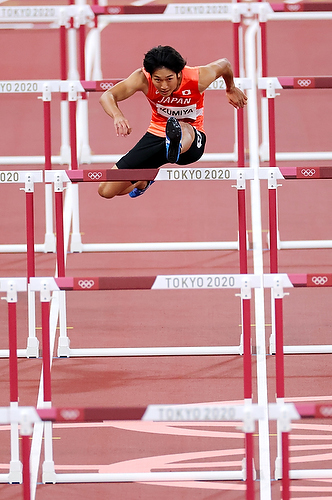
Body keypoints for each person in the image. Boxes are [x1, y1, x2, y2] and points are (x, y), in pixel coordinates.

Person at [98, 45, 247, 199]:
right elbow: (107, 96)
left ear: (179, 73)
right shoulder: (142, 78)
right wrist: (117, 115)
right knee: (106, 190)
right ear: (150, 75)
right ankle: (143, 182)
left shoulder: (198, 77)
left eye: (169, 79)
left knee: (181, 126)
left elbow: (224, 64)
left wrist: (231, 88)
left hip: (191, 140)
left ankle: (175, 145)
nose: (163, 86)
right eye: (157, 80)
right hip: (156, 135)